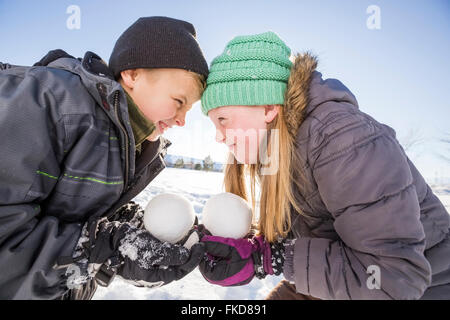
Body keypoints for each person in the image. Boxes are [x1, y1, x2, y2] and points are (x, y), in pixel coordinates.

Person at [197, 31, 450, 299]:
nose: (218, 136)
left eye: (223, 119)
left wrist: (272, 259)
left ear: (269, 108)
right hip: (352, 279)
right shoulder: (278, 151)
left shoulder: (345, 141)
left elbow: (393, 278)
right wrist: (251, 249)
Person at [0, 16, 208, 300]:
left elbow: (77, 210)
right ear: (133, 74)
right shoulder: (48, 101)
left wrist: (134, 229)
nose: (183, 120)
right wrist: (104, 251)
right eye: (179, 101)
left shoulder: (131, 143)